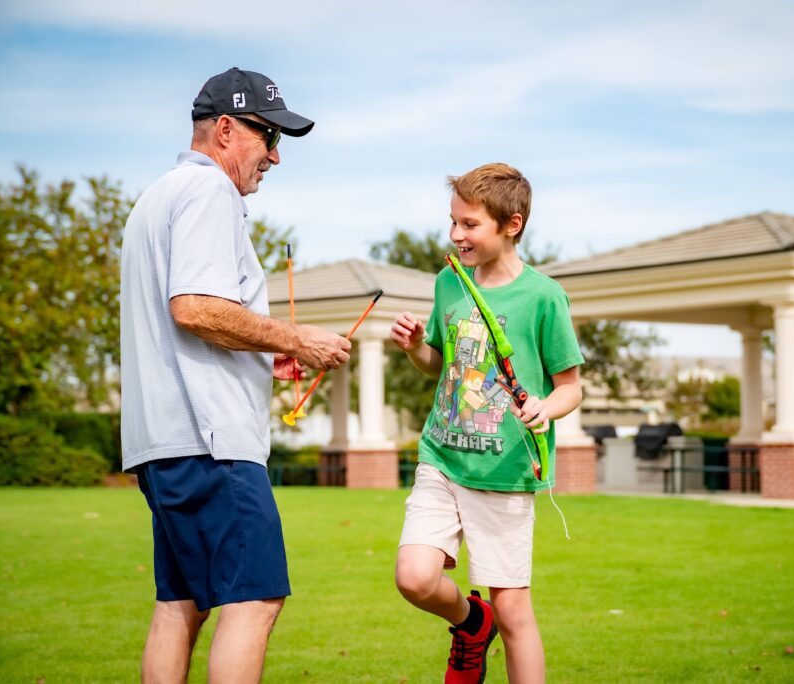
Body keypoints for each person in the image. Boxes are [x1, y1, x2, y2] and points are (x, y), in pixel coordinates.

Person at [120, 67, 351, 683]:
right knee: (255, 599)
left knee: (181, 605)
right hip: (209, 442)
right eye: (266, 136)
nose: (275, 156)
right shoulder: (208, 193)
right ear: (225, 129)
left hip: (165, 442)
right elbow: (194, 306)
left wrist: (261, 348)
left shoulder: (157, 195)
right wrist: (298, 336)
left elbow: (198, 315)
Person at [389, 163, 584, 683]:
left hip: (505, 470)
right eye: (453, 221)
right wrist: (414, 348)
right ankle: (472, 624)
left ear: (511, 225)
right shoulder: (449, 284)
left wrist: (546, 406)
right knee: (413, 578)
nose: (456, 235)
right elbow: (441, 365)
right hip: (442, 456)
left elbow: (571, 387)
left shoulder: (544, 297)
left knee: (515, 611)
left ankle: (491, 621)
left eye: (470, 225)